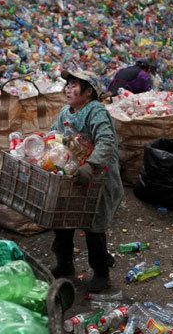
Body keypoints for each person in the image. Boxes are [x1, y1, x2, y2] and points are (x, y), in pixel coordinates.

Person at [51, 69, 124, 292]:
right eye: (67, 85)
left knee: (93, 226)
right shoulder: (65, 113)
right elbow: (54, 137)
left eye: (74, 85)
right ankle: (64, 264)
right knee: (63, 220)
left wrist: (90, 166)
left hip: (98, 178)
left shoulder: (96, 111)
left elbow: (106, 141)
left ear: (88, 92)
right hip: (72, 176)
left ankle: (101, 273)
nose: (68, 89)